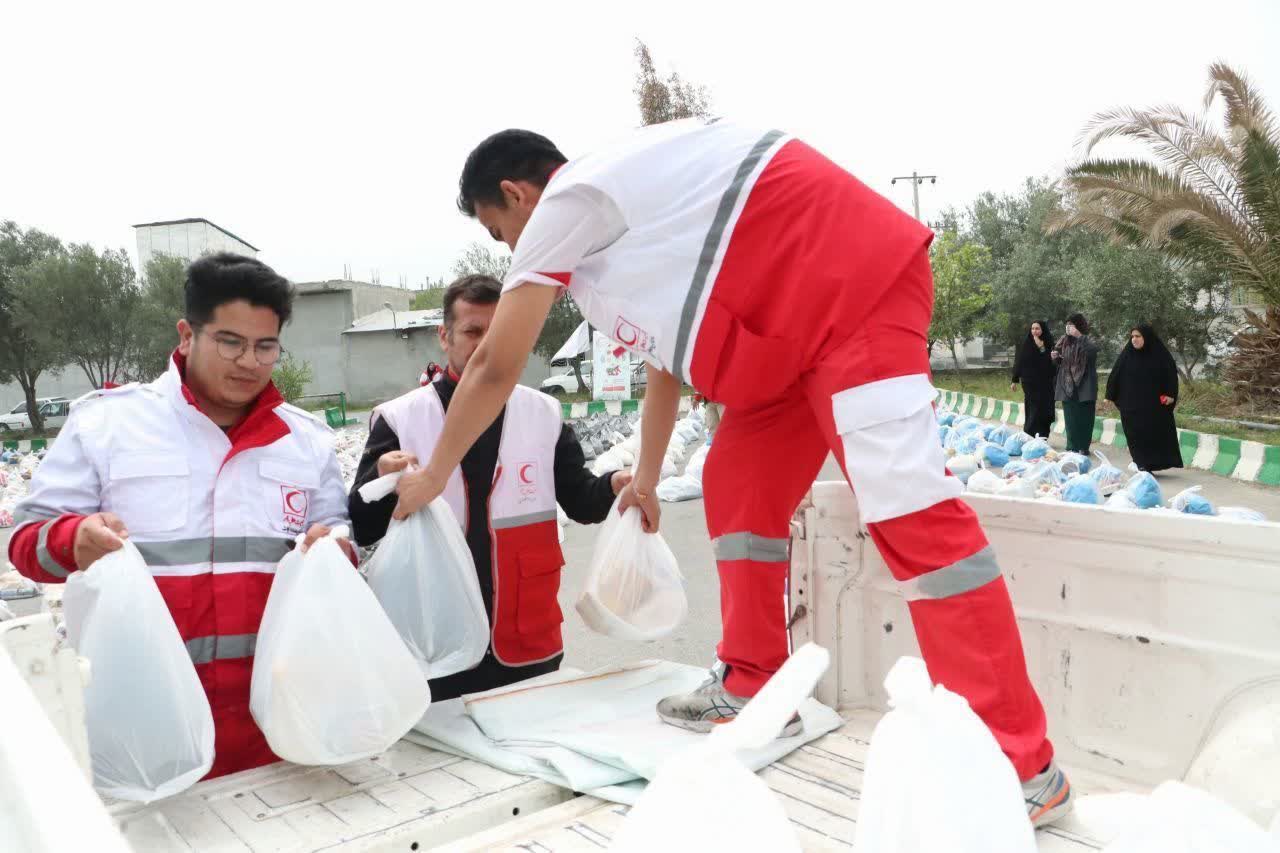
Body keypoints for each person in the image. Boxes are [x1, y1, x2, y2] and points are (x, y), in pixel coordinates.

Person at [389, 119, 1071, 826]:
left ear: (516, 193)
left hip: (850, 292)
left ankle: (1019, 762)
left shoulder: (572, 200)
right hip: (785, 344)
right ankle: (753, 682)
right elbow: (664, 362)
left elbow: (498, 364)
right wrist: (647, 479)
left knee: (911, 510)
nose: (514, 253)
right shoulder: (623, 233)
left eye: (502, 234)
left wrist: (435, 474)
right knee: (737, 483)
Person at [8, 253, 352, 779]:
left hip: (277, 723)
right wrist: (72, 539)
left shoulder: (305, 441)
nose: (249, 362)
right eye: (230, 342)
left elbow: (336, 536)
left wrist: (335, 549)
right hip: (148, 719)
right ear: (188, 334)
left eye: (266, 346)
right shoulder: (109, 424)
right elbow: (25, 544)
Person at [348, 274, 631, 700]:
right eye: (471, 331)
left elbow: (581, 501)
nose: (485, 344)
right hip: (437, 648)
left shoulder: (544, 413)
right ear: (444, 337)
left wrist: (616, 485)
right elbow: (363, 526)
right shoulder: (400, 419)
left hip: (527, 643)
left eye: (496, 332)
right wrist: (383, 485)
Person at [1105, 325, 1182, 473]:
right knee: (1135, 434)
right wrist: (1110, 395)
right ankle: (1141, 463)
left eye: (1138, 336)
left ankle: (1150, 463)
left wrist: (1170, 395)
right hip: (1131, 405)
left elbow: (1170, 376)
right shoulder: (1127, 355)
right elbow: (1116, 375)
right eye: (1132, 336)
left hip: (1153, 405)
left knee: (1152, 434)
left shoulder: (1160, 355)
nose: (1134, 339)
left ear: (1146, 338)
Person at [1052, 313, 1100, 454]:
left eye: (1071, 325)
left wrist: (1079, 336)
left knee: (1085, 417)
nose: (1068, 328)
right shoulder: (1064, 341)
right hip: (1067, 384)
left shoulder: (1088, 338)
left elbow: (1093, 352)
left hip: (1085, 384)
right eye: (1067, 325)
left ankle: (1083, 447)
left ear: (1079, 326)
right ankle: (1072, 446)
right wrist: (1055, 358)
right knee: (1070, 418)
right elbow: (1061, 361)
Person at [1010, 321, 1057, 438]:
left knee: (1044, 409)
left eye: (1037, 329)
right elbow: (1020, 361)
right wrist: (1014, 379)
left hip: (1045, 383)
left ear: (1043, 330)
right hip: (1029, 382)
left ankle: (1042, 436)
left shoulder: (1049, 343)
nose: (1034, 331)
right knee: (1033, 407)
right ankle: (1029, 434)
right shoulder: (1027, 343)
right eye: (1033, 329)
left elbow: (1049, 362)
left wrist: (1041, 347)